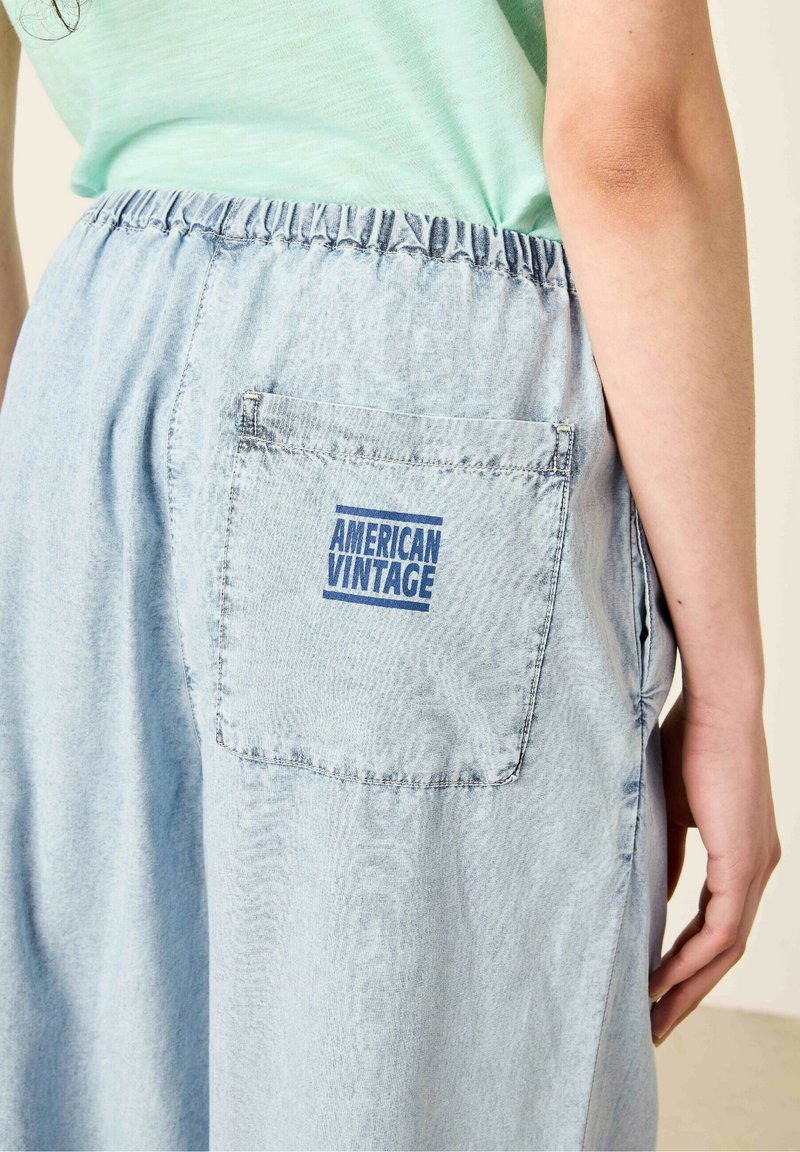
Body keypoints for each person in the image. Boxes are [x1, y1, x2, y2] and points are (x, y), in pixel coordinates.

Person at [0, 1, 781, 1149]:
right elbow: (629, 143)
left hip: (93, 370)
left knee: (100, 1083)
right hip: (421, 374)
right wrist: (726, 689)